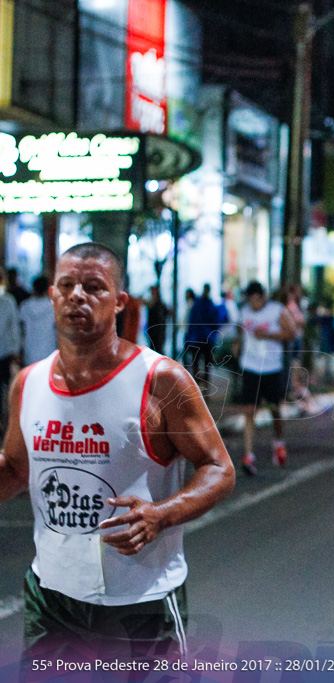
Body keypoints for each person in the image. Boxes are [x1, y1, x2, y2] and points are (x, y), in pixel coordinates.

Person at [0, 242, 234, 667]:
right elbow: (16, 469)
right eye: (66, 285)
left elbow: (218, 468)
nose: (77, 296)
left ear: (120, 302)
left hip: (141, 601)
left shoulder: (161, 380)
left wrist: (161, 514)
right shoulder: (28, 384)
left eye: (94, 287)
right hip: (52, 600)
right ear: (52, 295)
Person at [236, 280, 297, 475]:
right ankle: (249, 456)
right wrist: (237, 345)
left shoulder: (276, 310)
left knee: (274, 410)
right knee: (249, 411)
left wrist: (268, 335)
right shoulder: (244, 312)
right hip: (250, 366)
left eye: (257, 299)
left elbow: (291, 333)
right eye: (251, 300)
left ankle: (279, 442)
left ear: (263, 297)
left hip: (271, 367)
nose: (254, 304)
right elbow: (241, 333)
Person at [185, 284, 220, 389]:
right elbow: (215, 323)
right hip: (206, 339)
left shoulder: (198, 305)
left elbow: (191, 323)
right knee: (204, 364)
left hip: (199, 339)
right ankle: (204, 387)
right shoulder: (210, 305)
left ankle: (198, 386)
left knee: (197, 364)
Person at [20, 275, 57, 366]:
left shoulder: (25, 306)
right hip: (49, 351)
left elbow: (21, 331)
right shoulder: (53, 307)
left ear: (33, 288)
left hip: (29, 352)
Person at [0, 269, 19, 430]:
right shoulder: (8, 301)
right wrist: (15, 350)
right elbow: (14, 328)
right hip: (4, 352)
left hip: (4, 353)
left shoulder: (8, 301)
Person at [144, 284, 169, 354]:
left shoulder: (160, 305)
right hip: (153, 332)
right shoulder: (153, 304)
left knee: (158, 349)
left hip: (158, 333)